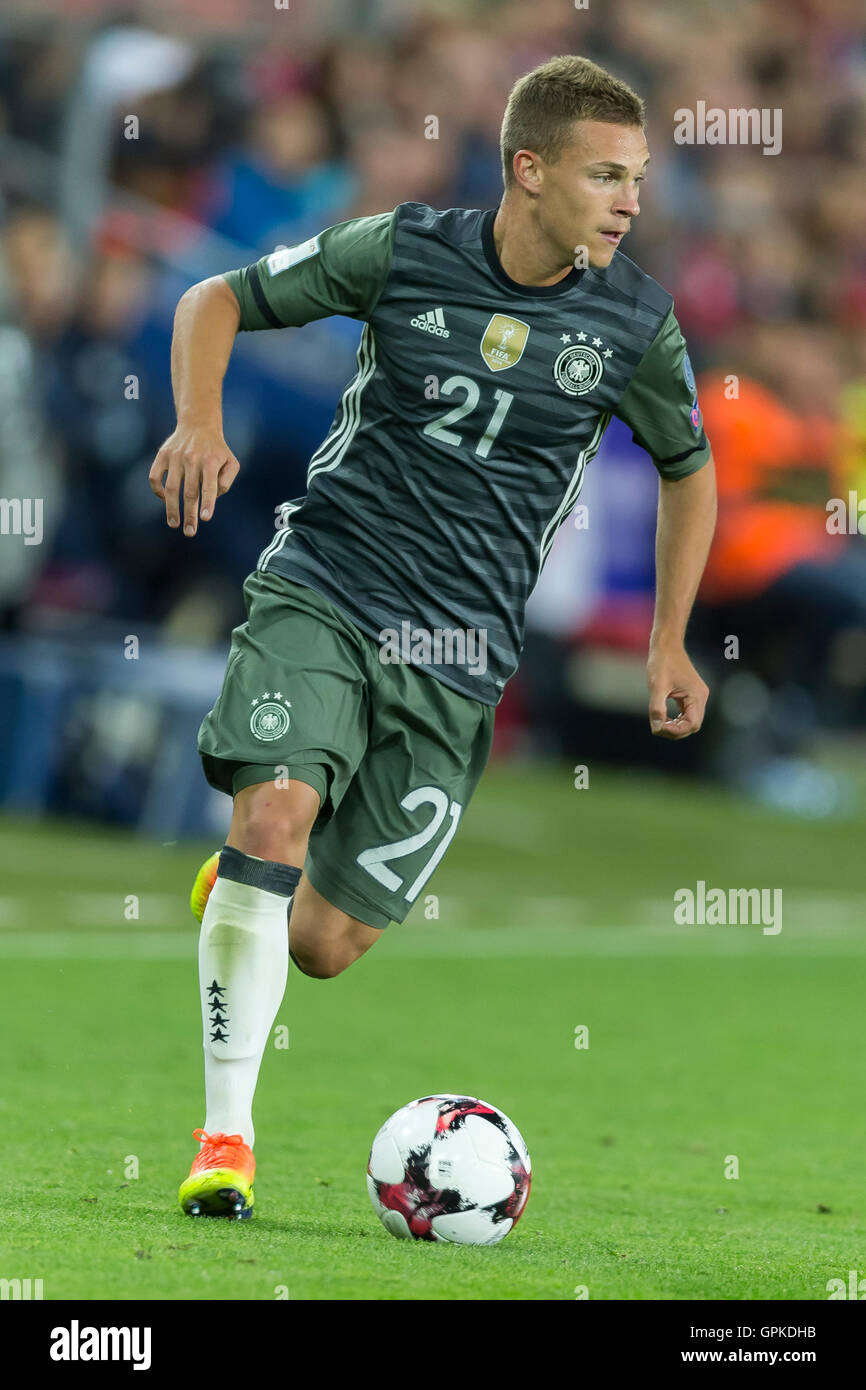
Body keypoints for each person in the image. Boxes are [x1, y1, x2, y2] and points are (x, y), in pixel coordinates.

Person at [148, 55, 717, 1220]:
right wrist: (198, 421)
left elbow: (686, 471)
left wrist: (669, 641)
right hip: (326, 584)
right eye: (605, 175)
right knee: (273, 814)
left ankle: (239, 897)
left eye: (638, 178)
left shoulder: (634, 323)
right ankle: (224, 1143)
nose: (628, 201)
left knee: (323, 942)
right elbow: (215, 298)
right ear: (528, 169)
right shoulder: (402, 251)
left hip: (457, 656)